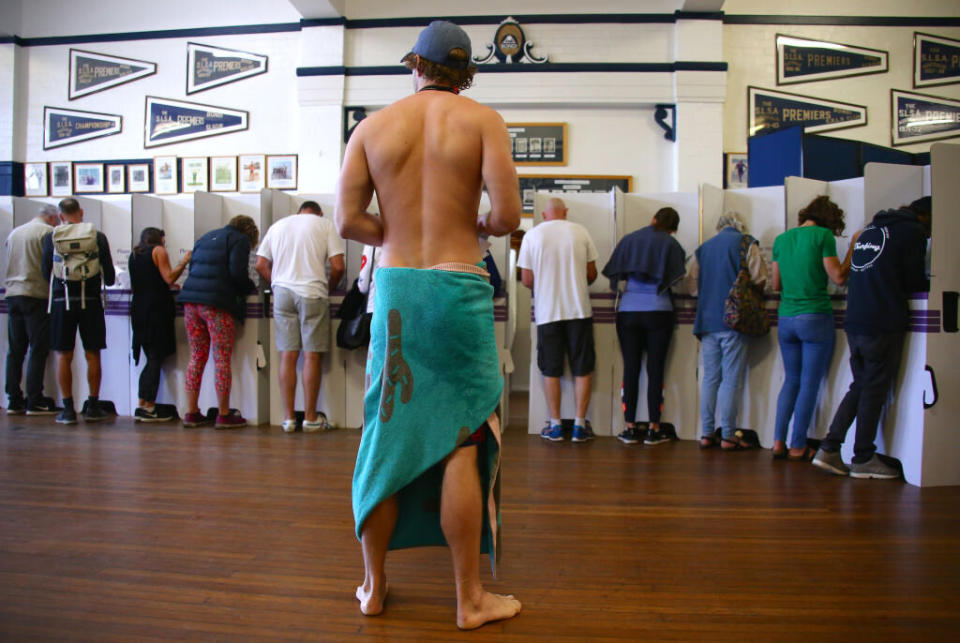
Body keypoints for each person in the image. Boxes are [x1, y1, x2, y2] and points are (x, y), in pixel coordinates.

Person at [335, 20, 522, 629]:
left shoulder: (370, 127)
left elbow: (348, 220)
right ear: (465, 72)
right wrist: (475, 229)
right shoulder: (483, 121)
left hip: (395, 288)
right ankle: (468, 599)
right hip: (458, 283)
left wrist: (393, 234)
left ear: (415, 62)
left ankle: (373, 586)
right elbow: (508, 215)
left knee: (384, 435)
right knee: (462, 439)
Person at [812, 197, 930, 479]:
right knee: (874, 388)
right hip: (883, 319)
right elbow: (914, 280)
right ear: (926, 217)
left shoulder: (870, 230)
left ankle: (830, 447)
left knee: (861, 385)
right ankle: (863, 457)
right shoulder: (912, 232)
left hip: (856, 320)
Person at [770, 196, 855, 460]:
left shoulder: (781, 239)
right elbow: (838, 277)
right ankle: (798, 446)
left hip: (785, 319)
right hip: (815, 316)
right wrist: (853, 247)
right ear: (830, 220)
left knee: (790, 381)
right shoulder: (823, 236)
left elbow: (776, 285)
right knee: (808, 384)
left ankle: (777, 442)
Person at [255, 201, 345, 433]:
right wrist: (328, 287)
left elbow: (260, 264)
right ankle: (310, 418)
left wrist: (277, 283)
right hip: (313, 292)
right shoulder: (324, 225)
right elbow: (338, 266)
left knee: (288, 355)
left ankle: (288, 419)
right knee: (311, 357)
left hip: (283, 294)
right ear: (319, 212)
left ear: (298, 212)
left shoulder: (278, 226)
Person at [518, 197, 599, 443]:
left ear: (544, 215)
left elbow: (527, 279)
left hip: (547, 312)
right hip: (579, 311)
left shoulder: (532, 235)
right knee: (582, 368)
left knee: (550, 369)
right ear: (565, 212)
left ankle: (554, 425)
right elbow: (591, 273)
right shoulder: (580, 231)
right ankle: (579, 426)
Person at [602, 207, 685, 445]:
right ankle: (653, 428)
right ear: (673, 228)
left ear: (653, 219)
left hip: (628, 311)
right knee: (656, 370)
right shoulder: (671, 245)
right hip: (659, 312)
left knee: (631, 368)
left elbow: (614, 276)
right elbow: (677, 280)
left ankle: (629, 427)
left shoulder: (629, 240)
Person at [685, 212, 767, 450]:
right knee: (731, 378)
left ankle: (707, 433)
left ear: (718, 227)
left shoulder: (703, 248)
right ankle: (729, 435)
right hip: (735, 321)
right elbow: (760, 278)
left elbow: (692, 286)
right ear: (740, 225)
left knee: (710, 378)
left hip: (707, 321)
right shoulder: (746, 243)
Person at [177, 215, 258, 429]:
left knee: (196, 357)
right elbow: (237, 272)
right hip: (215, 305)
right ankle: (223, 414)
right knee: (221, 358)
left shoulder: (206, 237)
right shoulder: (239, 240)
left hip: (190, 303)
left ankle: (192, 412)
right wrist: (249, 287)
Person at [41, 197, 116, 424]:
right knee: (93, 353)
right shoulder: (97, 236)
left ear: (61, 216)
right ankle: (93, 406)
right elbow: (110, 277)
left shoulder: (51, 237)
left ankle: (67, 409)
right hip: (90, 300)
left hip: (61, 301)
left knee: (63, 354)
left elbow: (47, 273)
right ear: (81, 212)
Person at [4, 205, 61, 415]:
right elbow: (51, 266)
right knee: (38, 348)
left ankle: (13, 398)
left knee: (16, 349)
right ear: (53, 218)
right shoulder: (47, 233)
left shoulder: (15, 232)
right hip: (35, 294)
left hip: (12, 294)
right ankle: (35, 398)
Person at [129, 227, 190, 422]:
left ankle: (142, 403)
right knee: (155, 358)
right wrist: (185, 261)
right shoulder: (158, 251)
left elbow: (149, 280)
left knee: (150, 356)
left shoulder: (135, 254)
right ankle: (149, 405)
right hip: (156, 309)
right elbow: (169, 277)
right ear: (159, 239)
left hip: (139, 308)